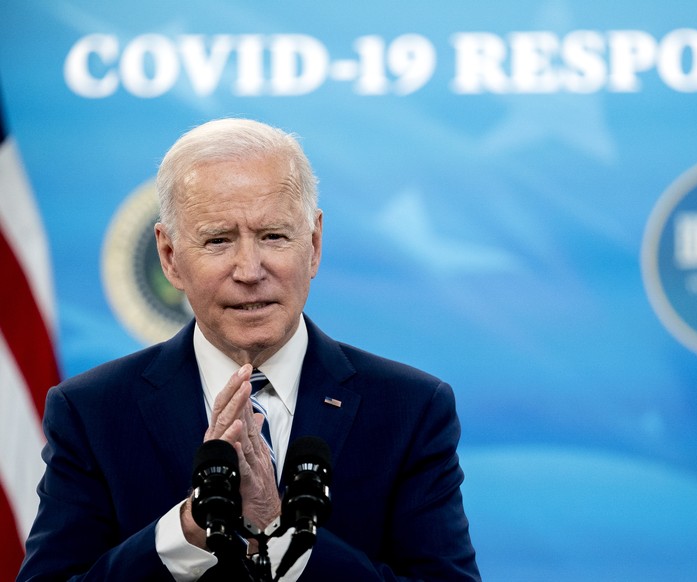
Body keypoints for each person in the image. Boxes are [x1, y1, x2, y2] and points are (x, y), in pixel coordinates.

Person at [17, 118, 480, 581]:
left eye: (273, 236)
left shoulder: (409, 410)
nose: (249, 270)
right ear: (170, 256)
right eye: (218, 240)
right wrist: (186, 530)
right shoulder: (93, 412)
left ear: (314, 244)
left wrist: (284, 538)